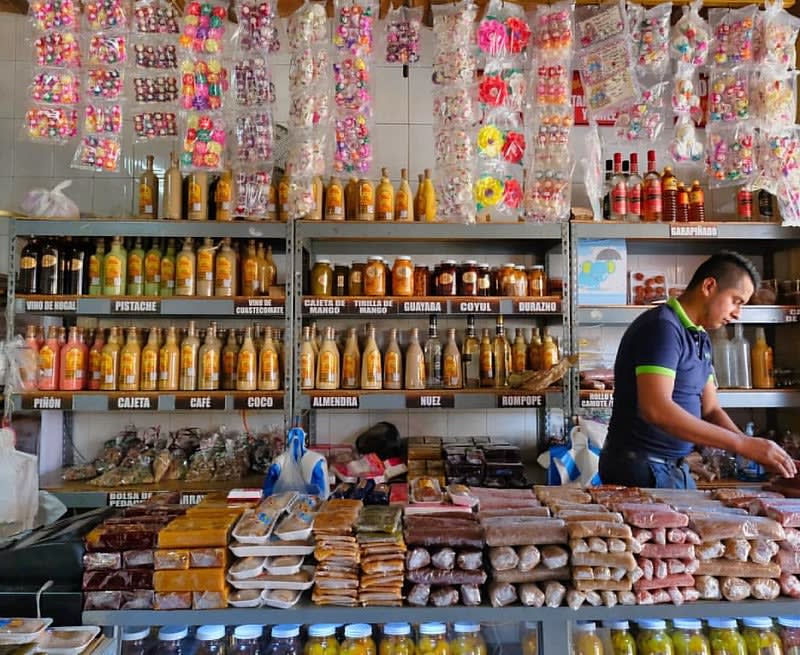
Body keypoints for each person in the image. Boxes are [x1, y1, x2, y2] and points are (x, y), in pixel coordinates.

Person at [599, 251, 797, 489]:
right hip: (641, 468)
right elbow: (656, 409)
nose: (737, 313)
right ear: (709, 286)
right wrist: (740, 445)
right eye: (736, 300)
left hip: (674, 468)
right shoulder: (662, 328)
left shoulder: (700, 336)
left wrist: (752, 448)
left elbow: (710, 409)